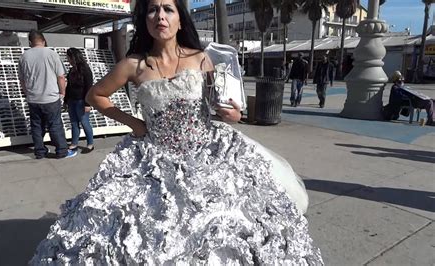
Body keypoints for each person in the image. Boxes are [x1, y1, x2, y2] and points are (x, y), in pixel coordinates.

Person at [30, 0, 322, 264]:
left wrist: (233, 115)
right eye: (153, 10)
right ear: (145, 21)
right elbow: (96, 96)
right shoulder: (134, 64)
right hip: (154, 158)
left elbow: (220, 104)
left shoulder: (202, 58)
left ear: (180, 19)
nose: (160, 16)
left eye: (168, 9)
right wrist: (133, 123)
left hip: (207, 153)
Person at [18, 30, 77, 159]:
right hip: (50, 97)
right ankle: (61, 151)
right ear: (43, 41)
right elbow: (61, 77)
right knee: (55, 124)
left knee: (36, 125)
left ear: (30, 42)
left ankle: (39, 151)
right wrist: (62, 92)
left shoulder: (24, 57)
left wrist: (27, 94)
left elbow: (22, 80)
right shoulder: (52, 54)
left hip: (33, 98)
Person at [65, 48, 95, 153]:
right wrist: (66, 100)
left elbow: (89, 87)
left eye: (68, 57)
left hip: (81, 101)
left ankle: (90, 143)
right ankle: (74, 143)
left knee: (84, 122)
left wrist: (88, 103)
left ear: (74, 57)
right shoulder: (71, 70)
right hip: (71, 100)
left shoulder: (85, 70)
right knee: (73, 122)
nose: (68, 59)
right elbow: (68, 86)